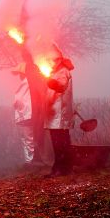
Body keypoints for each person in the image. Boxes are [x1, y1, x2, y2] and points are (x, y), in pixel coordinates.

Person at [44, 44, 75, 177]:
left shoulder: (62, 72)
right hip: (54, 113)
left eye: (53, 60)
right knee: (59, 142)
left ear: (58, 60)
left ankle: (62, 168)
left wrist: (53, 83)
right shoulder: (55, 72)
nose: (51, 63)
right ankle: (61, 168)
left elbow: (61, 86)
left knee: (60, 142)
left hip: (59, 114)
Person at [12, 63, 35, 164]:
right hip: (25, 114)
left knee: (28, 138)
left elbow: (19, 99)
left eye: (20, 73)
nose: (19, 76)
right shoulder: (27, 82)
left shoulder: (27, 83)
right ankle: (29, 160)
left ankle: (30, 160)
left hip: (26, 114)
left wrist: (15, 104)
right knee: (26, 137)